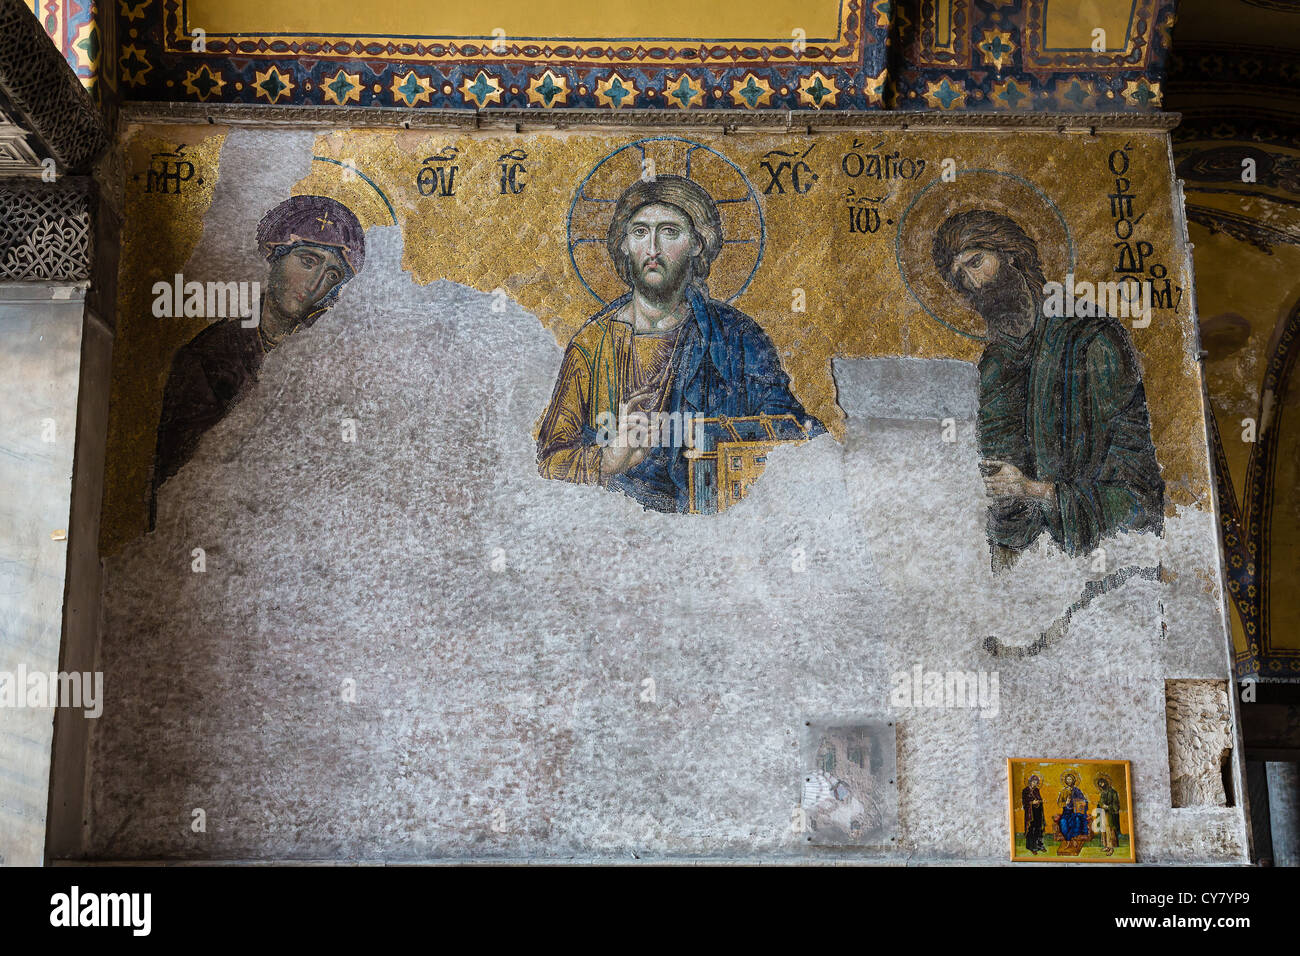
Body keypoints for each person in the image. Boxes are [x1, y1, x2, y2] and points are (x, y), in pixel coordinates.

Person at [537, 174, 822, 513]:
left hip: (715, 528)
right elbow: (548, 460)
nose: (653, 248)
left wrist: (721, 443)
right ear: (625, 244)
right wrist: (609, 459)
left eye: (669, 231)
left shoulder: (738, 338)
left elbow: (794, 437)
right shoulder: (592, 346)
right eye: (640, 232)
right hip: (616, 525)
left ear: (698, 243)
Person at [931, 209, 1164, 570]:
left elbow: (1141, 502)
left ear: (1011, 254)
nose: (973, 284)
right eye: (960, 277)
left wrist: (1036, 492)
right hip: (1029, 574)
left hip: (1104, 567)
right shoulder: (994, 364)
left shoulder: (1091, 340)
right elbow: (998, 482)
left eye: (976, 262)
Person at [150, 195, 364, 526]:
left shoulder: (323, 356)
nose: (314, 285)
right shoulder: (211, 356)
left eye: (332, 275)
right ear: (276, 257)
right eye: (307, 261)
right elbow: (175, 476)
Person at [1054, 771, 1091, 853]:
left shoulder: (1077, 791)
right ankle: (1070, 840)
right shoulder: (1063, 791)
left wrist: (1084, 802)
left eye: (1070, 779)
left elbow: (1084, 801)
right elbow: (1059, 803)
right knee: (1063, 822)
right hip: (1066, 812)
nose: (1069, 781)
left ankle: (1071, 839)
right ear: (1066, 781)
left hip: (1076, 812)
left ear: (1073, 780)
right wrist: (1065, 803)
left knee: (1077, 820)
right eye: (1068, 780)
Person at [1096, 773, 1122, 856]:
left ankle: (1111, 848)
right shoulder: (1103, 793)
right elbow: (1100, 802)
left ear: (1106, 782)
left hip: (1110, 814)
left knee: (1109, 830)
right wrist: (1100, 804)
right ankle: (1106, 845)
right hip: (1103, 813)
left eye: (1102, 783)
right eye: (1100, 784)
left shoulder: (1113, 792)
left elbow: (1116, 805)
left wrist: (1107, 806)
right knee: (1103, 829)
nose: (1101, 785)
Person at [1021, 772, 1046, 854]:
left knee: (1038, 828)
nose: (1035, 783)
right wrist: (1032, 802)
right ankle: (1031, 847)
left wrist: (1040, 801)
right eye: (1033, 781)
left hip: (1038, 812)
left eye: (1036, 782)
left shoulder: (1036, 790)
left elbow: (1039, 799)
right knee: (1031, 829)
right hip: (1030, 813)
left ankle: (1039, 845)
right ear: (1030, 781)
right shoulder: (1025, 790)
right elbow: (1024, 802)